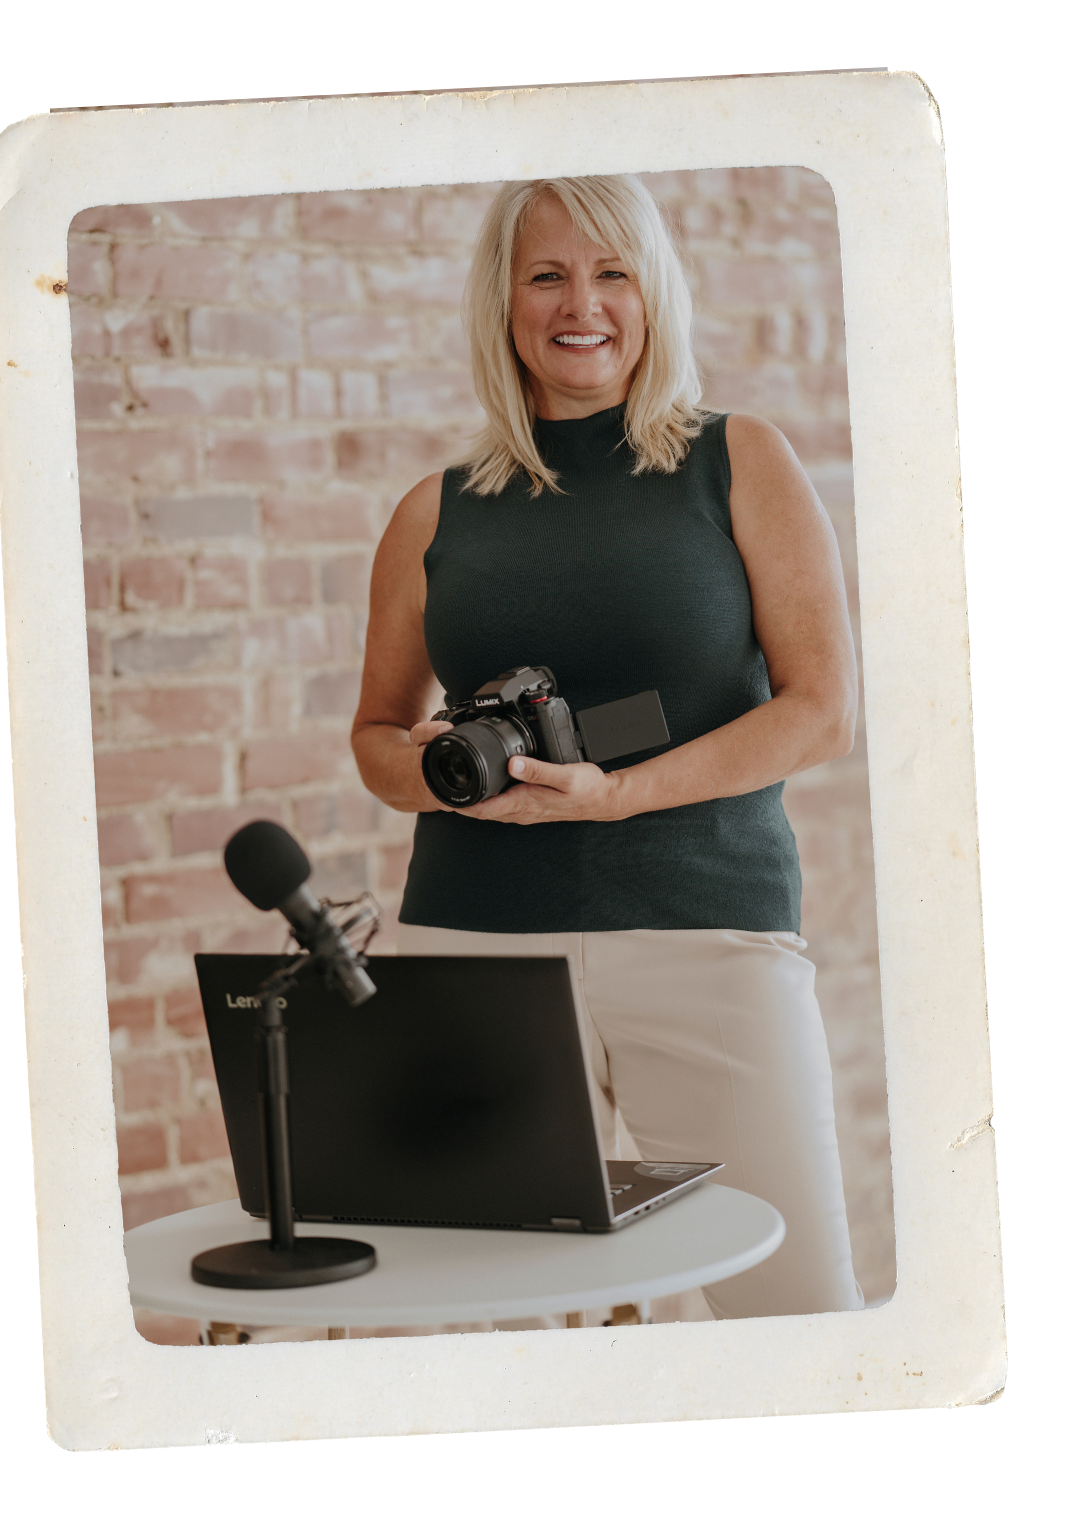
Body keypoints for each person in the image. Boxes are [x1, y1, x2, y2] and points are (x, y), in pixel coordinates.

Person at [351, 175, 864, 1319]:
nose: (579, 303)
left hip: (707, 934)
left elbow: (821, 709)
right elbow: (378, 738)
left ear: (651, 291)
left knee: (791, 1307)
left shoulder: (738, 461)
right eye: (546, 274)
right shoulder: (433, 511)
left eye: (610, 271)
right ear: (504, 300)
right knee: (496, 1318)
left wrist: (613, 794)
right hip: (476, 946)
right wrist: (437, 770)